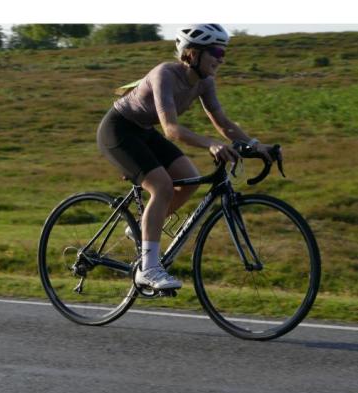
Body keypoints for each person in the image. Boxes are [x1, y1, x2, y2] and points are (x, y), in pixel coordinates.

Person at [96, 24, 274, 291]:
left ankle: (143, 229)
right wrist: (210, 144)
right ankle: (149, 269)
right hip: (118, 131)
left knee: (189, 179)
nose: (221, 59)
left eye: (223, 53)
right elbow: (171, 130)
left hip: (144, 131)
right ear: (192, 54)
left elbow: (223, 123)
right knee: (161, 186)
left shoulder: (205, 82)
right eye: (216, 52)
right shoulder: (165, 74)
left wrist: (257, 146)